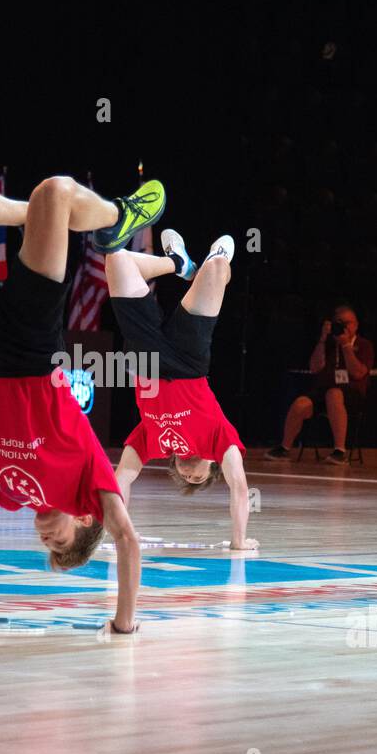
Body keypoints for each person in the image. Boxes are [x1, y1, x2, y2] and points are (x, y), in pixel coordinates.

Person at [0, 168, 165, 634]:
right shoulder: (90, 485)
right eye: (61, 545)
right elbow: (129, 543)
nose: (48, 540)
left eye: (48, 548)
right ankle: (120, 218)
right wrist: (124, 624)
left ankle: (28, 216)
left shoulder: (5, 488)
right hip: (29, 344)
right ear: (85, 520)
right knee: (54, 191)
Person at [106, 231, 257, 549]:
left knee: (116, 259)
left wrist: (119, 534)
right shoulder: (219, 441)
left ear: (173, 465)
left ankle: (176, 262)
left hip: (144, 362)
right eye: (199, 478)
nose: (191, 475)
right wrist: (238, 541)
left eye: (185, 478)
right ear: (212, 466)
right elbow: (240, 486)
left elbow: (121, 480)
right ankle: (212, 260)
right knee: (216, 268)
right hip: (189, 361)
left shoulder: (151, 443)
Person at [266, 305, 374, 463]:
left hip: (351, 395)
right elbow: (314, 368)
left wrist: (345, 346)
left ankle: (340, 450)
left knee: (334, 394)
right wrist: (323, 339)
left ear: (356, 325)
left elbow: (357, 372)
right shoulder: (328, 342)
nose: (343, 327)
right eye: (339, 323)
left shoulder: (364, 345)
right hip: (324, 392)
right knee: (300, 403)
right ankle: (284, 448)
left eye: (347, 323)